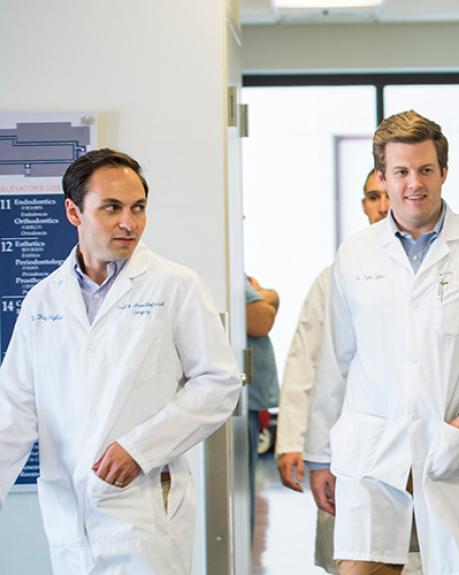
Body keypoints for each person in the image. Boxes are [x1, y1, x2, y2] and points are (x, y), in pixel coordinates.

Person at [0, 148, 242, 574]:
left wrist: (140, 447)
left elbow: (219, 382)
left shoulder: (174, 286)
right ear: (74, 212)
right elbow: (14, 409)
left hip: (144, 503)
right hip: (69, 506)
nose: (129, 223)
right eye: (111, 208)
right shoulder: (43, 300)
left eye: (138, 208)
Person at [304, 110, 459, 575]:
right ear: (383, 177)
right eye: (401, 172)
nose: (414, 184)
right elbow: (336, 361)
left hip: (455, 453)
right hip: (371, 457)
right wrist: (319, 455)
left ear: (444, 171)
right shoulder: (356, 253)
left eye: (426, 170)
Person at [274, 169, 390, 573]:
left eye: (388, 195)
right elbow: (306, 359)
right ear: (364, 205)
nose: (383, 205)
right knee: (348, 550)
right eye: (374, 197)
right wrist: (292, 440)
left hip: (413, 447)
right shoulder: (335, 275)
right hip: (347, 444)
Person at [245, 273, 279, 537]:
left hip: (250, 403)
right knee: (242, 491)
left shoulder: (242, 278)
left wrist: (269, 296)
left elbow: (267, 299)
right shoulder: (232, 276)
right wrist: (270, 296)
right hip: (241, 406)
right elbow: (261, 320)